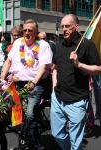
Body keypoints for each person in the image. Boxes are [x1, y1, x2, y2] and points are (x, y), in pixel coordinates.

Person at [51, 14, 100, 150]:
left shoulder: (87, 45)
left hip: (77, 100)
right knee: (57, 134)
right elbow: (54, 67)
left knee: (76, 141)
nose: (64, 29)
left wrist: (79, 65)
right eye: (62, 27)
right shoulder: (58, 45)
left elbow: (98, 69)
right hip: (58, 98)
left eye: (68, 26)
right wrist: (54, 86)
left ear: (76, 26)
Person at [1, 19, 52, 149]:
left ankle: (35, 143)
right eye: (25, 30)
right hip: (18, 82)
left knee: (29, 113)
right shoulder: (18, 43)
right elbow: (8, 61)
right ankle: (24, 140)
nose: (27, 33)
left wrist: (34, 82)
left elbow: (43, 67)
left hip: (36, 83)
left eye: (30, 30)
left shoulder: (43, 45)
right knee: (18, 113)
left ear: (36, 32)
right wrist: (2, 78)